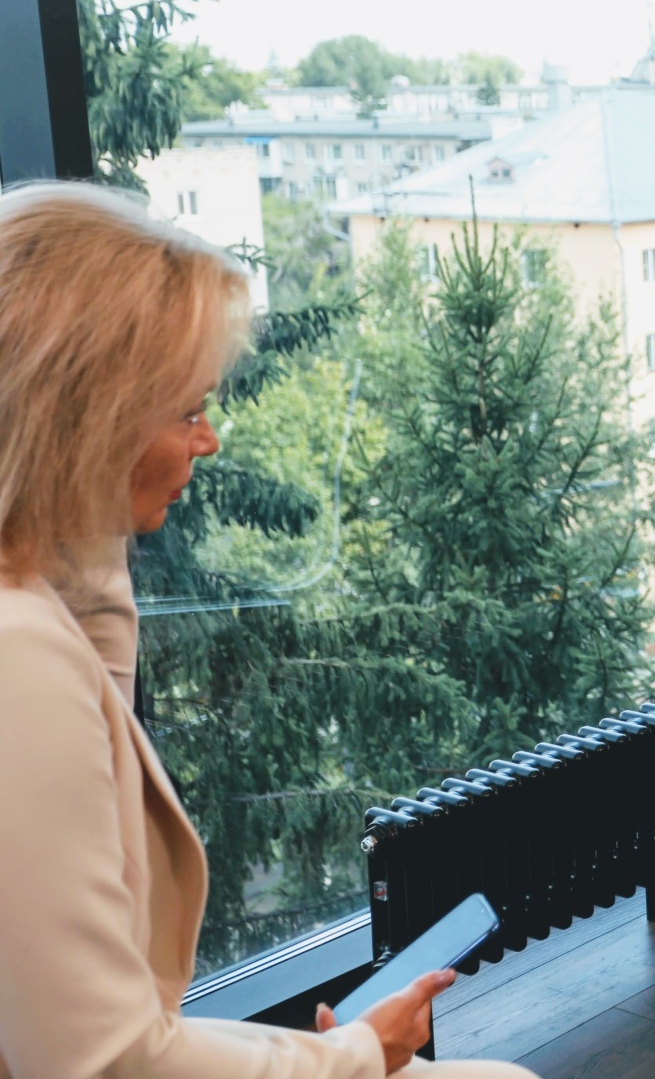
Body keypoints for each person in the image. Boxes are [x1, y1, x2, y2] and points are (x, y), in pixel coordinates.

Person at [0, 182, 539, 1079]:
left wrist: (73, 495)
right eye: (187, 410)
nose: (208, 442)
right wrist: (358, 1054)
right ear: (88, 422)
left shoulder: (30, 605)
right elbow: (108, 1060)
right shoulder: (18, 659)